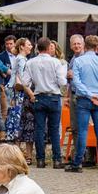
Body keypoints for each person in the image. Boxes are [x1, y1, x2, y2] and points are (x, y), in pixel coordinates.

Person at [67, 34, 98, 172]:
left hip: (83, 100)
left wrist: (89, 94)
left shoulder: (79, 61)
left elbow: (76, 81)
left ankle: (77, 164)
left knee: (82, 132)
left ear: (85, 46)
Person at [22, 38, 67, 170]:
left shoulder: (31, 63)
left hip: (38, 97)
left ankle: (40, 159)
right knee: (54, 130)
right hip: (53, 97)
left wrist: (33, 90)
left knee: (39, 129)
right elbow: (62, 82)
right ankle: (57, 160)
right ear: (48, 48)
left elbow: (25, 82)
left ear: (37, 48)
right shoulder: (55, 62)